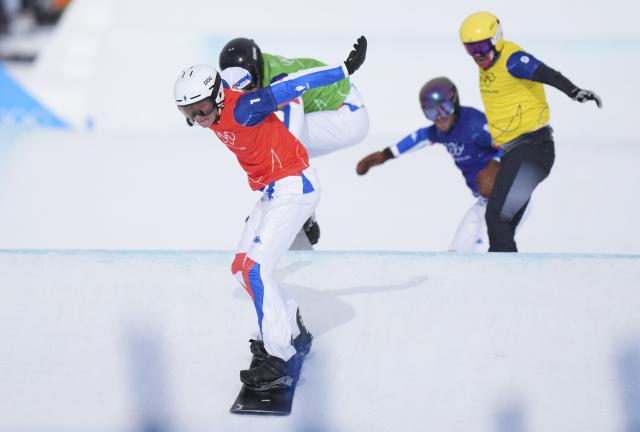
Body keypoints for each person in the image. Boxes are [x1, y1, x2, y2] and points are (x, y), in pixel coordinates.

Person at [173, 36, 367, 390]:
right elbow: (232, 76)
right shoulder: (218, 98)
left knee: (256, 269)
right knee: (240, 269)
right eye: (188, 113)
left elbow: (294, 85)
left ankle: (280, 357)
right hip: (272, 189)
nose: (198, 119)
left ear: (216, 96)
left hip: (295, 186)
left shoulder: (245, 108)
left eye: (201, 109)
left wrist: (343, 69)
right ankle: (292, 329)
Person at [459, 11, 602, 252]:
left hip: (533, 150)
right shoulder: (489, 65)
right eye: (471, 49)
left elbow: (547, 74)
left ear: (497, 38)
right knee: (502, 223)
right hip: (516, 153)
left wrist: (575, 91)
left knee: (496, 216)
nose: (478, 55)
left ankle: (504, 274)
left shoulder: (512, 60)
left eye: (482, 46)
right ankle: (505, 274)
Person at [356, 77, 503, 252]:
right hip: (483, 202)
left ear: (455, 104)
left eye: (444, 109)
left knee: (486, 253)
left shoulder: (474, 124)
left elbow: (509, 144)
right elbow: (418, 138)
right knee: (456, 254)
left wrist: (496, 164)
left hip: (505, 203)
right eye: (431, 113)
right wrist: (385, 154)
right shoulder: (440, 132)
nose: (439, 117)